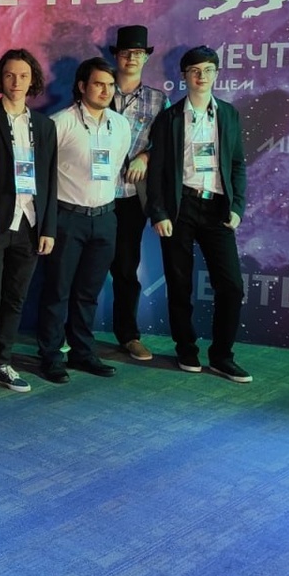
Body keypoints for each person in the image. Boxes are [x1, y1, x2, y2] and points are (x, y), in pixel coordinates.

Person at [147, 46, 251, 382]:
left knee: (231, 286)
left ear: (216, 74)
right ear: (184, 76)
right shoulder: (170, 118)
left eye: (207, 70)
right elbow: (157, 171)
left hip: (217, 208)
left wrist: (237, 207)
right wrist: (159, 212)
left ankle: (222, 356)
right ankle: (186, 347)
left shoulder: (229, 114)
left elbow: (237, 164)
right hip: (180, 207)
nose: (201, 76)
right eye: (194, 70)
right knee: (179, 284)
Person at [0, 49, 57, 397]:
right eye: (9, 75)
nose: (16, 82)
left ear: (32, 80)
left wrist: (48, 227)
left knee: (15, 298)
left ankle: (2, 362)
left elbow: (50, 179)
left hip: (30, 222)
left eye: (23, 75)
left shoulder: (44, 126)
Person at [36, 57, 131, 383]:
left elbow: (115, 168)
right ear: (81, 86)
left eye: (110, 85)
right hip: (67, 218)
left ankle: (83, 352)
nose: (106, 91)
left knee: (88, 293)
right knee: (57, 291)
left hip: (105, 218)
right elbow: (43, 175)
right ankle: (50, 356)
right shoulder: (60, 123)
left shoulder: (120, 125)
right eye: (98, 84)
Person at [107, 26, 170, 362]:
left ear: (146, 57)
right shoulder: (99, 88)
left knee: (126, 268)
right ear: (116, 56)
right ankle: (69, 335)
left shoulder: (158, 100)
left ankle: (128, 335)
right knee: (82, 270)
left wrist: (146, 155)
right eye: (125, 52)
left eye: (138, 53)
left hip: (130, 196)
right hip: (92, 194)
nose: (131, 58)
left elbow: (168, 143)